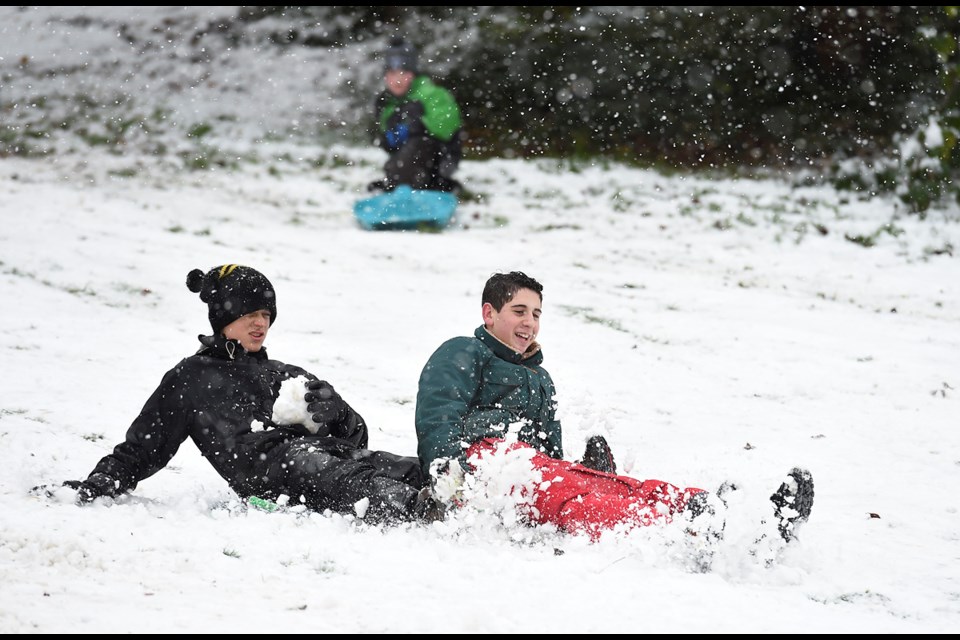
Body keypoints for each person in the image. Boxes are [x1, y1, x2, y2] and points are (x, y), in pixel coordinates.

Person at [414, 271, 815, 546]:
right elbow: (439, 414)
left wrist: (576, 469)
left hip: (528, 466)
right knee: (579, 498)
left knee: (599, 484)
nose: (530, 323)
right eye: (519, 311)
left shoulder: (540, 377)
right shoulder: (464, 352)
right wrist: (447, 475)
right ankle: (683, 530)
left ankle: (713, 511)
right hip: (483, 465)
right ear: (489, 313)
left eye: (536, 314)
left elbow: (549, 452)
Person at [65, 264, 444, 524]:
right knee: (331, 471)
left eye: (265, 314)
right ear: (222, 317)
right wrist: (101, 482)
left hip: (317, 459)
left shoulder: (283, 373)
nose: (260, 322)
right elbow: (145, 445)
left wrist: (339, 412)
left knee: (397, 465)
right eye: (249, 313)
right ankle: (420, 509)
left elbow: (353, 442)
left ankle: (460, 491)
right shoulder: (191, 378)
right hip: (268, 474)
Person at [367, 36, 463, 194]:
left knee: (419, 144)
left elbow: (446, 128)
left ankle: (424, 184)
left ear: (413, 75)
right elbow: (389, 142)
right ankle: (401, 184)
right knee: (402, 159)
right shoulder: (389, 104)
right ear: (386, 77)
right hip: (405, 165)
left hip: (439, 162)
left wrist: (420, 124)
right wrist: (388, 136)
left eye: (403, 73)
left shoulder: (432, 94)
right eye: (392, 74)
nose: (397, 80)